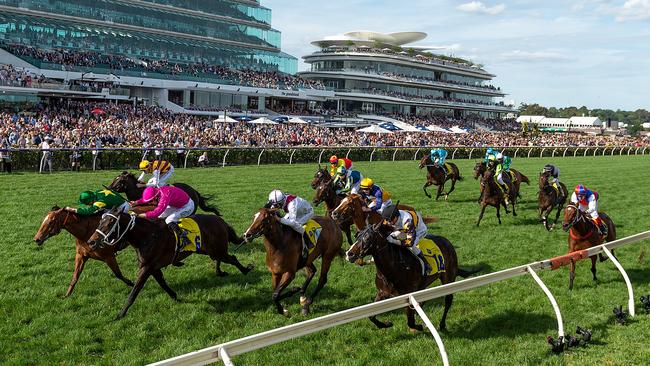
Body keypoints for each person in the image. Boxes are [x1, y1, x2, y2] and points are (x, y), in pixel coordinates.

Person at [134, 186, 195, 256]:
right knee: (160, 217)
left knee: (169, 219)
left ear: (156, 197)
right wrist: (136, 202)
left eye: (151, 201)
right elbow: (147, 199)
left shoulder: (164, 196)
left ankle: (185, 239)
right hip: (176, 205)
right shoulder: (158, 192)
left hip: (187, 207)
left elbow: (156, 213)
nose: (150, 203)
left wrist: (139, 215)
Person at [382, 204, 431, 274]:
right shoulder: (390, 218)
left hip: (418, 230)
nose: (388, 222)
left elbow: (409, 242)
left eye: (390, 220)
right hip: (403, 229)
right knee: (390, 238)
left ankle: (426, 263)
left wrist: (393, 240)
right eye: (387, 220)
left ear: (396, 217)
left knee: (412, 246)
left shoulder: (407, 221)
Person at [65, 189, 129, 215]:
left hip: (122, 208)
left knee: (104, 217)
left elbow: (89, 211)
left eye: (87, 203)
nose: (87, 205)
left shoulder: (99, 202)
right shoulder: (98, 192)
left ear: (91, 201)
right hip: (122, 202)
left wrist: (73, 210)